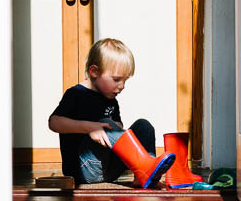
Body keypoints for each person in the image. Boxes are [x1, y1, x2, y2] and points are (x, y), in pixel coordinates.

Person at [48, 38, 175, 188]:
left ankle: (145, 175)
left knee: (143, 125)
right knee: (104, 123)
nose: (122, 86)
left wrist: (114, 129)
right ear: (94, 72)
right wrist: (90, 127)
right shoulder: (75, 94)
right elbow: (54, 123)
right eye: (116, 79)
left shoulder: (110, 99)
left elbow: (117, 126)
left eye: (125, 80)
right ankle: (146, 167)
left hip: (110, 168)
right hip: (85, 169)